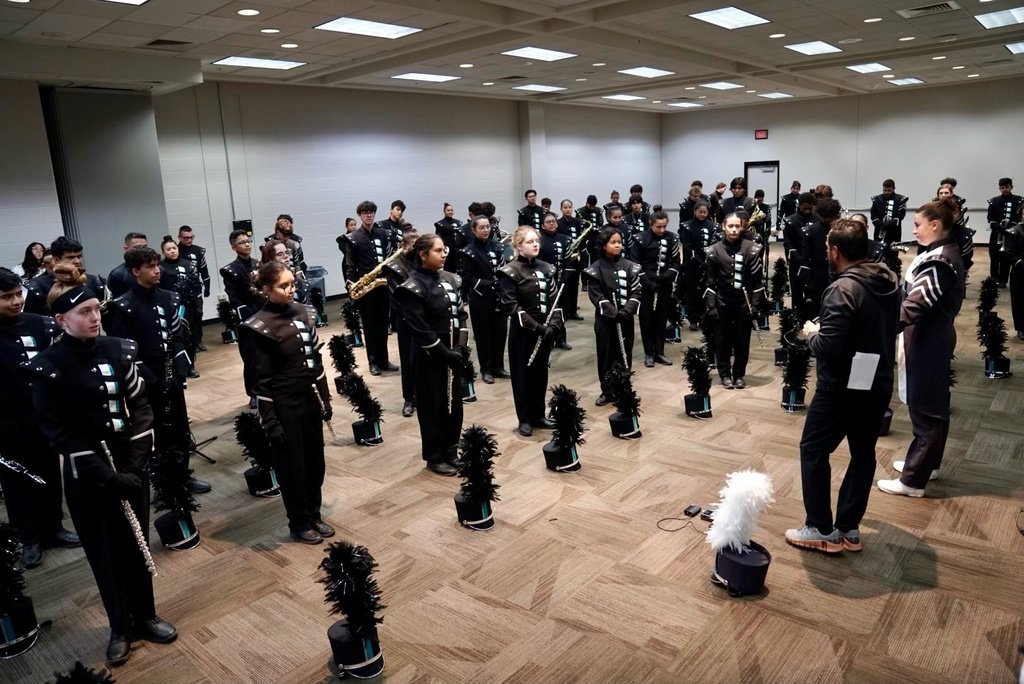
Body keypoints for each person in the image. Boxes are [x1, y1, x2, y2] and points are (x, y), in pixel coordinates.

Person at [31, 275, 176, 667]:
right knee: (103, 550)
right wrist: (106, 476)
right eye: (84, 312)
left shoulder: (120, 350)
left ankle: (146, 615)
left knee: (135, 539)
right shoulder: (47, 366)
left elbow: (141, 407)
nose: (95, 317)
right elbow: (56, 430)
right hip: (88, 470)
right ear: (62, 320)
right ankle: (119, 626)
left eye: (97, 309)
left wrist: (135, 464)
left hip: (127, 460)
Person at [784, 219, 900, 553]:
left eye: (826, 249)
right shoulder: (889, 279)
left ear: (834, 251)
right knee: (863, 454)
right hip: (875, 379)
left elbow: (829, 347)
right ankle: (849, 529)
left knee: (813, 449)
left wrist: (811, 335)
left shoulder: (841, 289)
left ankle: (821, 529)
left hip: (840, 386)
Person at [877, 197, 966, 497]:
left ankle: (913, 481)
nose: (913, 230)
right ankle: (929, 464)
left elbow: (914, 306)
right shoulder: (941, 253)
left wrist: (879, 329)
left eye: (917, 225)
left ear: (935, 225)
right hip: (929, 338)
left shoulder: (939, 261)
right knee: (931, 406)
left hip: (928, 341)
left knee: (926, 408)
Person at [239, 262, 332, 542]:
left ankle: (315, 514)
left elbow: (316, 362)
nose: (291, 290)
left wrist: (325, 400)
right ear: (266, 289)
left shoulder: (304, 312)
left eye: (292, 284)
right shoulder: (259, 326)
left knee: (316, 462)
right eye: (283, 286)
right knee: (293, 467)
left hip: (309, 399)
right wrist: (270, 421)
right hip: (284, 405)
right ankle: (299, 521)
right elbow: (260, 381)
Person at [109, 246, 210, 494]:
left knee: (179, 428)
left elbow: (177, 336)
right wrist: (152, 379)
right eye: (150, 267)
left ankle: (183, 476)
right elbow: (125, 351)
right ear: (135, 271)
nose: (157, 270)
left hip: (170, 375)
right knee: (154, 433)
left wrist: (178, 370)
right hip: (144, 380)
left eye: (157, 265)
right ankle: (163, 482)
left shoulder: (168, 297)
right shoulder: (123, 306)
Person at [0, 267, 80, 569]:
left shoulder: (40, 325)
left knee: (49, 471)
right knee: (17, 483)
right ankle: (29, 538)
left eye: (18, 294)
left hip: (44, 416)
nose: (16, 301)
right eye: (6, 297)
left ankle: (54, 528)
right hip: (7, 424)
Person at [394, 235, 467, 476]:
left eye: (444, 249)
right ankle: (434, 456)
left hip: (452, 353)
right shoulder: (412, 287)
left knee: (454, 405)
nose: (443, 254)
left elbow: (461, 316)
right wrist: (445, 353)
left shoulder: (451, 279)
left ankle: (451, 450)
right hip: (429, 356)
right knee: (432, 407)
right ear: (423, 255)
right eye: (437, 251)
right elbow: (420, 329)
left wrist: (459, 347)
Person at [498, 226, 564, 436]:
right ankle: (524, 418)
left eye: (536, 240)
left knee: (540, 374)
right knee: (522, 375)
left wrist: (553, 326)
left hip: (545, 332)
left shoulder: (547, 268)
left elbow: (556, 301)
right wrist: (536, 327)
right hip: (523, 334)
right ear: (518, 246)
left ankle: (538, 415)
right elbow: (511, 306)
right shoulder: (509, 271)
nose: (535, 244)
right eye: (529, 241)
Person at [704, 212, 765, 389]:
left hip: (743, 304)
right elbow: (710, 283)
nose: (733, 229)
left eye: (737, 226)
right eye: (730, 226)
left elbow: (757, 282)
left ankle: (739, 374)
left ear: (742, 227)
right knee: (722, 341)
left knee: (742, 340)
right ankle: (724, 374)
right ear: (723, 226)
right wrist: (711, 306)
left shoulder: (751, 248)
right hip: (722, 302)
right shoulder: (714, 250)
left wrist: (754, 305)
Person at [583, 226, 641, 406]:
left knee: (624, 355)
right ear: (603, 245)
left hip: (625, 319)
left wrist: (626, 311)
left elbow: (637, 292)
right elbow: (596, 295)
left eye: (620, 243)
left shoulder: (630, 266)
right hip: (605, 321)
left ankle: (624, 389)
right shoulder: (595, 269)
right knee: (606, 355)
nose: (618, 246)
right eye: (613, 243)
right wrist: (613, 312)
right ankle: (607, 391)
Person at [345, 201, 398, 376]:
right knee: (369, 325)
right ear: (360, 215)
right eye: (365, 213)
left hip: (382, 285)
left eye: (371, 212)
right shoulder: (353, 238)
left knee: (383, 324)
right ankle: (373, 361)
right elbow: (350, 267)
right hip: (365, 288)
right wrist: (351, 286)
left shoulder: (383, 233)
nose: (368, 215)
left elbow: (390, 259)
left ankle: (384, 360)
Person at [459, 216, 509, 384]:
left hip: (498, 297)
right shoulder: (468, 251)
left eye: (488, 227)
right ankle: (486, 369)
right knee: (483, 335)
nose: (486, 230)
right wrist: (489, 283)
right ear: (474, 230)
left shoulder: (496, 246)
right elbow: (466, 279)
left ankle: (498, 366)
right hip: (480, 298)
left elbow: (503, 268)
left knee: (500, 333)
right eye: (482, 227)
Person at [630, 210, 680, 367]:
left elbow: (676, 263)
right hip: (646, 285)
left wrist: (666, 277)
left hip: (663, 284)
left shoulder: (672, 238)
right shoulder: (640, 239)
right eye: (658, 227)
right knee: (646, 319)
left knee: (661, 318)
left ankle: (659, 351)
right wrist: (648, 281)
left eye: (664, 226)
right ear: (651, 224)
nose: (662, 230)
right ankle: (648, 353)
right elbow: (635, 264)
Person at [382, 231, 419, 417]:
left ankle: (423, 396)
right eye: (413, 242)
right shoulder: (395, 267)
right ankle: (409, 399)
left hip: (424, 319)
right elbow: (395, 300)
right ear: (404, 245)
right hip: (406, 321)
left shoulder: (422, 261)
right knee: (407, 359)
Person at [24, 237, 107, 316]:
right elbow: (32, 322)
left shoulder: (93, 281)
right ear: (56, 260)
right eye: (70, 257)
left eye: (78, 256)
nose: (77, 261)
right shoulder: (39, 286)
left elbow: (109, 320)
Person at [159, 236, 203, 377]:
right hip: (172, 309)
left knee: (192, 338)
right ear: (163, 252)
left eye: (174, 248)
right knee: (177, 338)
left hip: (190, 307)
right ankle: (178, 367)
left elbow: (196, 285)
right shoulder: (161, 268)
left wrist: (197, 304)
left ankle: (191, 366)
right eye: (168, 249)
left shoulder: (188, 264)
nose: (172, 251)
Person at [538, 212, 574, 351]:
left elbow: (569, 262)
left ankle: (561, 339)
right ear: (542, 225)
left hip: (562, 281)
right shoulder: (539, 240)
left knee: (560, 310)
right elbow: (539, 262)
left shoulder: (564, 239)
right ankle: (548, 339)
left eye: (553, 221)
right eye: (548, 222)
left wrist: (564, 280)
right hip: (545, 281)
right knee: (546, 311)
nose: (552, 224)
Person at [799, 198, 840, 322]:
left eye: (830, 217)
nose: (827, 220)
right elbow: (805, 258)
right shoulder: (810, 231)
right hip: (817, 275)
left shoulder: (841, 231)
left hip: (838, 274)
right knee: (816, 310)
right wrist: (808, 281)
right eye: (824, 217)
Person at [681, 200, 717, 330]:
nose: (702, 214)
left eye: (705, 212)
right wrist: (698, 259)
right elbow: (686, 245)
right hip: (692, 264)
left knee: (705, 290)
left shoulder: (713, 226)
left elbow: (714, 245)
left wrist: (708, 260)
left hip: (708, 264)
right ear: (695, 211)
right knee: (692, 291)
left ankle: (704, 317)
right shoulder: (686, 226)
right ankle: (693, 319)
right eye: (700, 212)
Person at [176, 226, 211, 352]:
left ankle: (198, 341)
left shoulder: (198, 251)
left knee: (198, 314)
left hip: (196, 289)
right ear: (179, 237)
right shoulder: (176, 250)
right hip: (180, 290)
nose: (189, 240)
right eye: (186, 238)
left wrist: (207, 286)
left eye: (191, 237)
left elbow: (204, 270)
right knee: (186, 317)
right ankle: (188, 342)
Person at [783, 192, 817, 313]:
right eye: (805, 208)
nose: (808, 211)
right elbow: (788, 243)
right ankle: (796, 315)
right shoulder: (791, 221)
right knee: (796, 290)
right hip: (797, 261)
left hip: (813, 261)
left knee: (813, 290)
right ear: (799, 206)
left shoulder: (817, 220)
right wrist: (798, 258)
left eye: (810, 208)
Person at [987, 178, 1024, 287]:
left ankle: (1003, 280)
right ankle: (994, 278)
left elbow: (1020, 217)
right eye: (1002, 188)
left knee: (1006, 257)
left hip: (1012, 234)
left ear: (1011, 187)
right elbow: (990, 218)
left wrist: (1011, 229)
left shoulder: (1019, 200)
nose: (1004, 190)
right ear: (999, 188)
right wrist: (1001, 228)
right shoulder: (994, 201)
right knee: (994, 256)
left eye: (1006, 187)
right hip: (997, 233)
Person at [220, 230, 263, 321]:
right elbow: (234, 298)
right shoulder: (230, 270)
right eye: (242, 242)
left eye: (248, 241)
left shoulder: (259, 264)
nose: (247, 244)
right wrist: (249, 314)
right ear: (233, 247)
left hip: (264, 308)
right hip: (248, 313)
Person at [261, 239, 310, 305]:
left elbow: (307, 311)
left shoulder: (298, 284)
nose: (286, 256)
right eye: (280, 254)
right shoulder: (263, 288)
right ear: (270, 259)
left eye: (287, 253)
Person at [107, 233, 150, 300]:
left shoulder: (158, 270)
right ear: (126, 249)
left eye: (145, 247)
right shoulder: (118, 275)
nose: (142, 251)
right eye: (137, 247)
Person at [870, 179, 908, 246]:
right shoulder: (877, 199)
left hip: (894, 231)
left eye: (889, 190)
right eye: (884, 190)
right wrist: (879, 223)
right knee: (878, 249)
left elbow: (900, 215)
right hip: (879, 230)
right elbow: (873, 213)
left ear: (894, 188)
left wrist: (890, 224)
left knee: (892, 250)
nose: (886, 192)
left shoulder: (900, 199)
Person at [1006, 205, 1024, 339]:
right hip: (1020, 271)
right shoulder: (1014, 231)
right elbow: (1008, 252)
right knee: (1019, 299)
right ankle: (1021, 327)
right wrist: (1018, 262)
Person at [434, 202, 466, 271]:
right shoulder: (440, 224)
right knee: (448, 268)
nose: (450, 212)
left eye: (451, 210)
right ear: (444, 211)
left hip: (457, 249)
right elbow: (438, 238)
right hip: (447, 250)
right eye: (448, 210)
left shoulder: (458, 222)